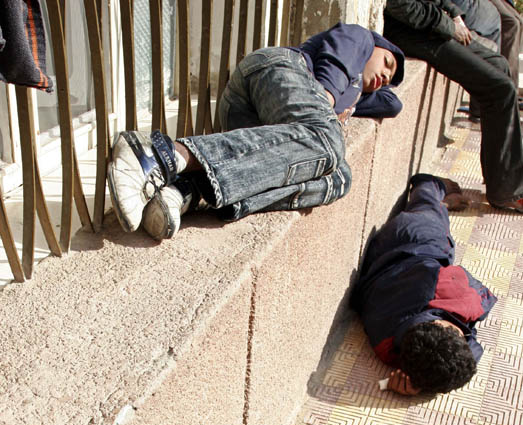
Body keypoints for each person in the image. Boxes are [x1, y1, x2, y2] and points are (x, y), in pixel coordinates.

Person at [107, 23, 404, 241]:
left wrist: (352, 103)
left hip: (257, 125)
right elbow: (333, 68)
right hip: (276, 73)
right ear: (376, 45)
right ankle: (159, 154)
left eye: (387, 79)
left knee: (341, 178)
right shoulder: (360, 39)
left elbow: (392, 104)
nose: (383, 77)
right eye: (386, 63)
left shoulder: (357, 92)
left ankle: (189, 188)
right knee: (329, 142)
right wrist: (327, 103)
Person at [351, 174, 497, 396]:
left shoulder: (462, 299)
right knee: (433, 214)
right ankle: (437, 192)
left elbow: (473, 345)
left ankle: (429, 184)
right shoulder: (387, 346)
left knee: (429, 208)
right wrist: (417, 382)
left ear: (445, 326)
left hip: (415, 235)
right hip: (386, 257)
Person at [383, 0, 523, 213]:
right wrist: (448, 26)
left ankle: (502, 177)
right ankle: (506, 192)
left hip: (434, 25)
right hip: (413, 33)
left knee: (499, 65)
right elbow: (400, 6)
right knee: (501, 88)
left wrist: (455, 14)